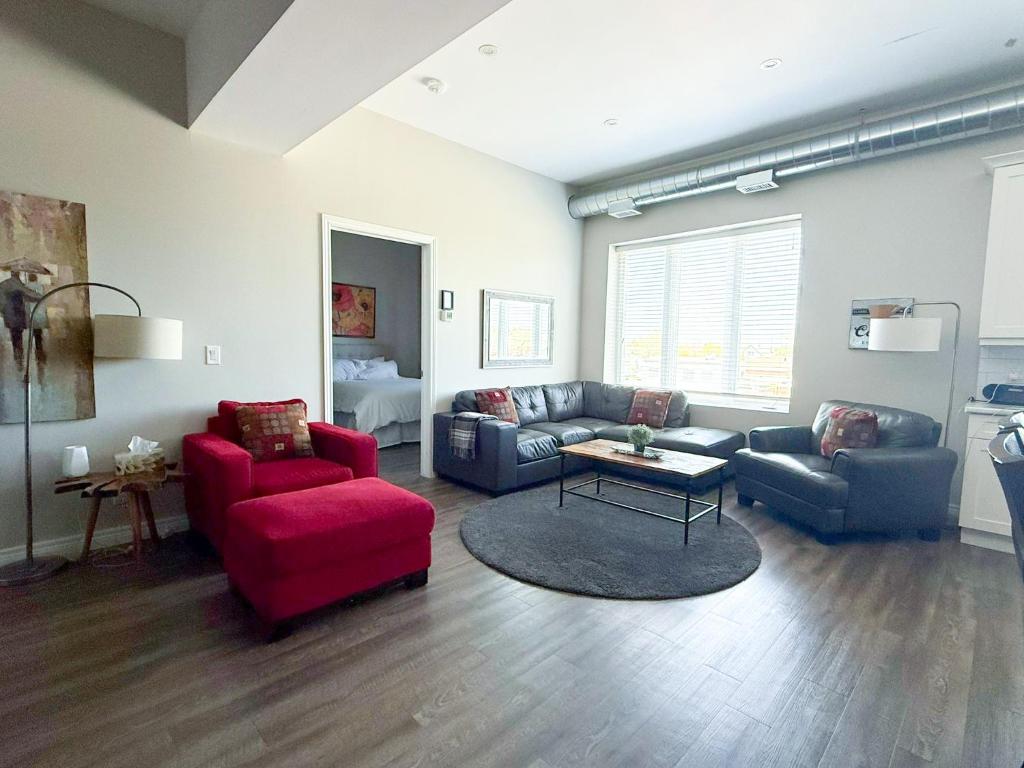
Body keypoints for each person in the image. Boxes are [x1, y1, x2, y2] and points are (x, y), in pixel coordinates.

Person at [0, 272, 48, 372]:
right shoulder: (17, 284)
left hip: (8, 315)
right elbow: (28, 293)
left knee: (14, 335)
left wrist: (3, 310)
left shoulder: (3, 284)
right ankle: (19, 359)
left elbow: (2, 301)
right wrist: (40, 296)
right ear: (17, 274)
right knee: (17, 335)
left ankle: (17, 357)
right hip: (17, 314)